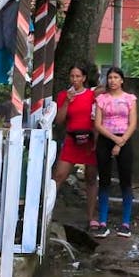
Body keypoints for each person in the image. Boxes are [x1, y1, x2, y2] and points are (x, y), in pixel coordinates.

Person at [53, 64, 99, 230]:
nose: (75, 80)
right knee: (59, 175)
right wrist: (67, 101)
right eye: (72, 76)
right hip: (72, 139)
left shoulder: (92, 95)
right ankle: (46, 213)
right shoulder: (63, 95)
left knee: (91, 178)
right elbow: (59, 121)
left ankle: (92, 217)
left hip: (89, 140)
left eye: (78, 76)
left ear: (84, 78)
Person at [93, 67, 137, 238]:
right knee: (104, 180)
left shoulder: (130, 99)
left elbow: (132, 123)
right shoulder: (101, 99)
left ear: (122, 80)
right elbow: (98, 123)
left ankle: (125, 223)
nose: (112, 80)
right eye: (109, 77)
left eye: (116, 77)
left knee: (125, 181)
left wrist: (121, 141)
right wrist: (113, 139)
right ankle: (102, 222)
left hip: (124, 139)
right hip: (105, 138)